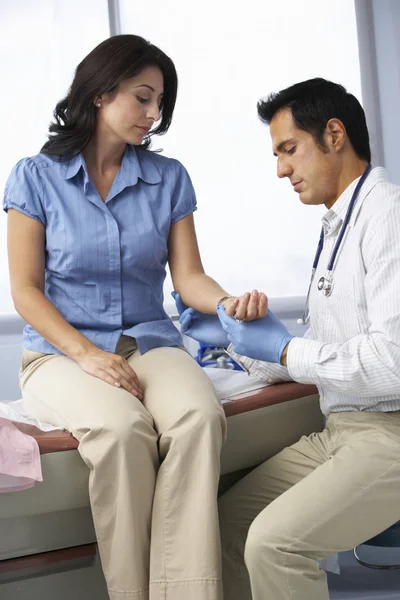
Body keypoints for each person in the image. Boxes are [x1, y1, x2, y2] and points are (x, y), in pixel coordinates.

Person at [3, 35, 267, 600]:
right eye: (143, 98)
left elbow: (189, 278)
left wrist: (225, 303)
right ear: (100, 93)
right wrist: (88, 355)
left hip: (150, 341)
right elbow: (25, 291)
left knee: (198, 416)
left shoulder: (168, 179)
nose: (154, 115)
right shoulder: (34, 176)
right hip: (60, 353)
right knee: (122, 429)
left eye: (160, 103)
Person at [176, 78, 400, 600]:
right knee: (226, 524)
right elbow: (322, 352)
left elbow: (393, 361)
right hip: (344, 431)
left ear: (335, 134)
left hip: (390, 435)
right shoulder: (336, 224)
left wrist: (280, 347)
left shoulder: (387, 214)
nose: (280, 169)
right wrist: (235, 341)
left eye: (288, 149)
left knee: (274, 545)